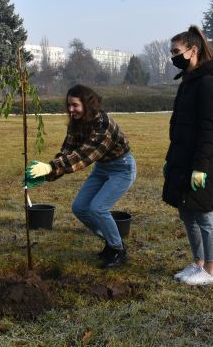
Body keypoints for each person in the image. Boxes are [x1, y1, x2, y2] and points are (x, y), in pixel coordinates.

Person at [25, 84, 136, 269]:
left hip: (121, 169)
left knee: (98, 208)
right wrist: (47, 174)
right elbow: (68, 151)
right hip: (102, 168)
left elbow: (84, 155)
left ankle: (118, 249)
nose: (70, 109)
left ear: (87, 104)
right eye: (68, 105)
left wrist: (50, 167)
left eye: (75, 105)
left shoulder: (104, 124)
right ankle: (112, 242)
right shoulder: (76, 124)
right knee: (80, 207)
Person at [163, 25, 213, 286]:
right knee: (186, 211)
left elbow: (209, 129)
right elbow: (178, 126)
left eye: (176, 51)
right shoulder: (187, 83)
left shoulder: (208, 83)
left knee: (204, 213)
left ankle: (211, 271)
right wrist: (170, 160)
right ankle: (199, 263)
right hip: (181, 158)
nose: (173, 56)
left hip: (200, 161)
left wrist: (201, 167)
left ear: (193, 51)